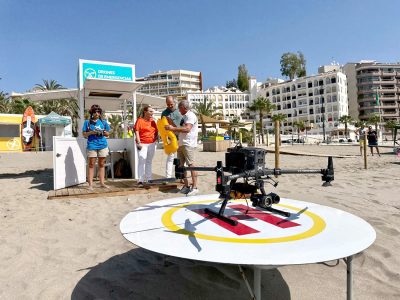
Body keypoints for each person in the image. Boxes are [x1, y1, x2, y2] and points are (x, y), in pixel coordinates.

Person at [165, 100, 199, 196]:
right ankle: (187, 186)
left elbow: (187, 129)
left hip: (189, 143)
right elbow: (181, 129)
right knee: (180, 165)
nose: (179, 110)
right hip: (182, 143)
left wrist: (173, 128)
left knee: (191, 164)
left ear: (184, 107)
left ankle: (195, 187)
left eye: (179, 108)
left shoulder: (190, 115)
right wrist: (171, 126)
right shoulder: (184, 116)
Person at [82, 104, 110, 190]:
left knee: (102, 164)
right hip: (92, 145)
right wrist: (91, 132)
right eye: (95, 111)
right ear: (92, 112)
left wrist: (102, 132)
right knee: (91, 164)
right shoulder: (87, 122)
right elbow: (84, 134)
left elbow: (108, 134)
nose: (97, 113)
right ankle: (90, 185)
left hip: (102, 145)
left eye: (98, 112)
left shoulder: (104, 122)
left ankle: (102, 183)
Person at [134, 105, 158, 184]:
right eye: (150, 111)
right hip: (142, 143)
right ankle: (140, 179)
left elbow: (156, 131)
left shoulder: (153, 121)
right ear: (145, 112)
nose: (152, 113)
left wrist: (157, 139)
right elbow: (136, 131)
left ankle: (149, 179)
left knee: (149, 161)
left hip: (152, 143)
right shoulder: (140, 120)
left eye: (152, 111)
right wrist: (138, 142)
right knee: (142, 160)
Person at [161, 96, 182, 178]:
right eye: (168, 104)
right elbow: (162, 127)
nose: (169, 106)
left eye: (171, 104)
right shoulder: (164, 113)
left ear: (175, 103)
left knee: (181, 158)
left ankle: (180, 176)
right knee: (170, 157)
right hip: (170, 138)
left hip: (180, 137)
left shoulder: (180, 112)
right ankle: (168, 177)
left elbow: (182, 126)